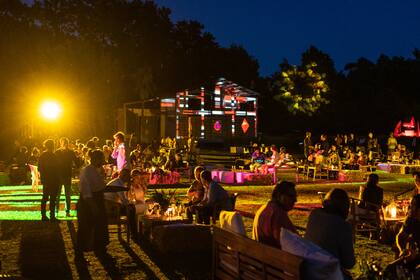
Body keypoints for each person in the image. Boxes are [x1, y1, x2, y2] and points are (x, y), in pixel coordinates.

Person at [304, 188, 355, 278]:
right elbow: (349, 263)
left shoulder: (314, 214)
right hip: (325, 274)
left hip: (309, 268)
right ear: (345, 207)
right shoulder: (342, 225)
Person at [76, 149, 109, 254]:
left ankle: (99, 247)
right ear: (96, 159)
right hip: (89, 201)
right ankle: (81, 250)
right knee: (86, 226)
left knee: (100, 224)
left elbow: (101, 185)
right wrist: (92, 205)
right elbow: (86, 190)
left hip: (97, 199)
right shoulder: (87, 171)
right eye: (102, 159)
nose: (103, 161)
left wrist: (103, 174)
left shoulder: (95, 170)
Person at [252, 181, 298, 248]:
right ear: (280, 196)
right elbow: (290, 244)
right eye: (291, 196)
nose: (295, 200)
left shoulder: (265, 208)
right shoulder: (277, 214)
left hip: (263, 253)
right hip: (274, 256)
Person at [384, 195, 420, 278]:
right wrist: (402, 250)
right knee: (390, 268)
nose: (410, 207)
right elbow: (400, 236)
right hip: (415, 255)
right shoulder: (411, 219)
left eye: (413, 205)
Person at [38, 139, 61, 222]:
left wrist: (44, 178)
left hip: (47, 180)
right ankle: (51, 216)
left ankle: (44, 215)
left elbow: (40, 168)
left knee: (45, 198)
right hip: (53, 179)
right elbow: (57, 168)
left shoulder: (42, 156)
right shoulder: (53, 156)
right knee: (52, 198)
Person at [55, 137, 78, 217]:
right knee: (66, 194)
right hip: (65, 174)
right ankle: (65, 210)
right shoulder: (70, 152)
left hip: (60, 174)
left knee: (60, 194)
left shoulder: (58, 152)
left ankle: (57, 210)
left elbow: (76, 162)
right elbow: (77, 162)